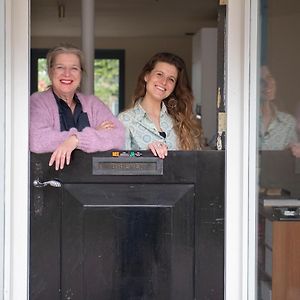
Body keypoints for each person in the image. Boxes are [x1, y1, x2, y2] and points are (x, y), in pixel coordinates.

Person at [30, 43, 125, 170]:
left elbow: (118, 136)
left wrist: (76, 140)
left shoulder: (92, 103)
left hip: (91, 182)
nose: (67, 74)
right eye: (60, 67)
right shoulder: (38, 101)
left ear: (81, 73)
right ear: (50, 71)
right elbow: (38, 140)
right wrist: (95, 133)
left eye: (74, 68)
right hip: (51, 181)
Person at [118, 52, 203, 159]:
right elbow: (119, 166)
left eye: (171, 79)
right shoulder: (125, 120)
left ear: (174, 87)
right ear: (146, 76)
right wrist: (146, 155)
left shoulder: (182, 121)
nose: (163, 82)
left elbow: (195, 163)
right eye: (159, 74)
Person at [259, 65, 297, 150]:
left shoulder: (288, 122)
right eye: (261, 80)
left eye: (269, 77)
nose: (267, 84)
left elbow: (292, 161)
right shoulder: (244, 120)